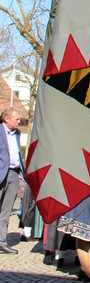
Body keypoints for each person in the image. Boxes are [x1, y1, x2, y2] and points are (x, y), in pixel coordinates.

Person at [0, 108, 24, 255]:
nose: (19, 121)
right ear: (6, 119)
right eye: (16, 119)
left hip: (14, 174)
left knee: (6, 210)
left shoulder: (17, 133)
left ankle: (2, 242)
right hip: (1, 172)